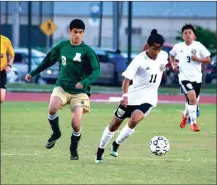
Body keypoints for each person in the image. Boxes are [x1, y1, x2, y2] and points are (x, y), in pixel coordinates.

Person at [25, 19, 101, 160]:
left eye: (80, 32)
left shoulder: (88, 51)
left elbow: (97, 70)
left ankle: (73, 147)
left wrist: (84, 82)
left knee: (76, 124)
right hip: (62, 87)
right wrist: (33, 73)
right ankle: (56, 133)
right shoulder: (62, 46)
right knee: (52, 108)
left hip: (80, 92)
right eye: (75, 32)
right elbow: (48, 61)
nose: (77, 35)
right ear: (69, 31)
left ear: (83, 33)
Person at [95, 29, 168, 163]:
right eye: (154, 49)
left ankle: (116, 144)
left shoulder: (164, 55)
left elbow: (164, 66)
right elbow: (126, 80)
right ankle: (100, 149)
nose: (157, 52)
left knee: (135, 119)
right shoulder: (139, 60)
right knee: (114, 126)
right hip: (132, 97)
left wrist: (173, 67)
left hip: (149, 98)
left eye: (159, 49)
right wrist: (124, 96)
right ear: (148, 46)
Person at [169, 24, 211, 132]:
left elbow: (208, 60)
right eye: (185, 33)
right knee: (192, 97)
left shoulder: (199, 46)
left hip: (197, 78)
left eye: (189, 33)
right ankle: (194, 124)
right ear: (182, 36)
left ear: (194, 36)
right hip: (184, 77)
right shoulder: (178, 47)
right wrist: (173, 64)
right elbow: (171, 55)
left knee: (192, 101)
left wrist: (198, 59)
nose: (187, 35)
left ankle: (184, 115)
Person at [0, 35, 15, 103]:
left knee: (1, 99)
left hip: (2, 72)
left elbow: (12, 55)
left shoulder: (5, 40)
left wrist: (9, 65)